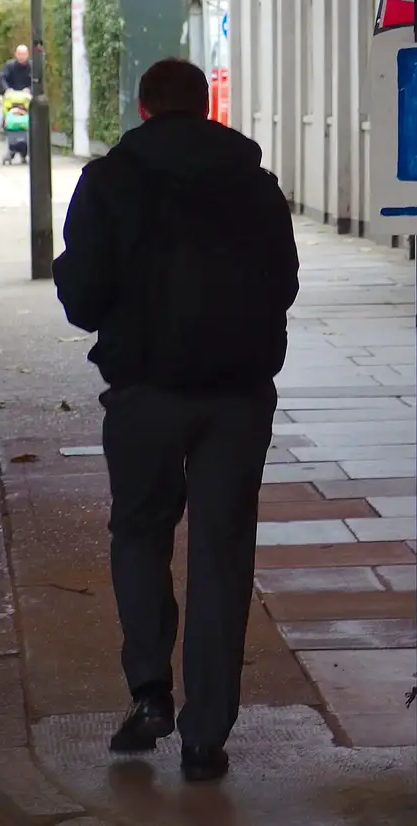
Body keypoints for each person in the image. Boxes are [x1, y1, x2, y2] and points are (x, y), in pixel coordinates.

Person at [52, 58, 299, 783]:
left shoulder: (111, 181)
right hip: (237, 397)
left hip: (144, 395)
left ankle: (149, 691)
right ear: (204, 107)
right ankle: (206, 735)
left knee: (138, 533)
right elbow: (282, 283)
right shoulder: (254, 186)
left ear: (144, 106)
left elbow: (82, 295)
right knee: (223, 555)